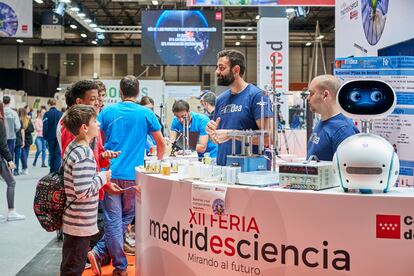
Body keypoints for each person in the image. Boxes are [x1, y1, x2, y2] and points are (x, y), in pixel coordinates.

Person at [89, 75, 166, 276]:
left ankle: (105, 257)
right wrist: (155, 165)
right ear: (138, 92)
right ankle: (116, 264)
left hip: (110, 173)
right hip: (134, 176)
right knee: (126, 218)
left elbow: (96, 142)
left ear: (121, 91)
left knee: (114, 220)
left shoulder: (106, 112)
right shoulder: (146, 113)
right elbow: (161, 144)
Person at [59, 104, 119, 276]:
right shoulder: (84, 153)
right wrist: (103, 177)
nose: (98, 124)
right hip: (80, 222)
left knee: (71, 264)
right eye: (94, 121)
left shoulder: (74, 147)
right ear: (85, 128)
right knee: (73, 268)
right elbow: (83, 191)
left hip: (75, 220)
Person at [206, 49, 273, 166]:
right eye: (217, 68)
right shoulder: (221, 99)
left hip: (250, 171)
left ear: (236, 70)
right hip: (224, 168)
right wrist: (212, 134)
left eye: (221, 68)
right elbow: (218, 140)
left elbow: (268, 138)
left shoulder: (257, 96)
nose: (217, 72)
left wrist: (231, 134)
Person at [306, 74, 359, 161]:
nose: (308, 98)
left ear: (325, 95)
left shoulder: (343, 131)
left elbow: (348, 170)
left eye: (312, 93)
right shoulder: (321, 123)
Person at [0, 101, 25, 222]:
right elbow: (2, 144)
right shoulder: (0, 122)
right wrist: (9, 159)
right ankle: (11, 211)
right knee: (11, 182)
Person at [43, 99, 63, 173]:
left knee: (51, 154)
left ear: (49, 104)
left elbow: (45, 126)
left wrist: (45, 136)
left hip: (50, 137)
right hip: (59, 137)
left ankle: (51, 171)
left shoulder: (47, 114)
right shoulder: (61, 114)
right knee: (58, 154)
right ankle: (57, 171)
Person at [18, 108, 34, 175]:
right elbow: (32, 129)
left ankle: (25, 167)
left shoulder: (19, 120)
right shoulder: (28, 120)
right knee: (25, 154)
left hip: (22, 138)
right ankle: (24, 168)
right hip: (29, 138)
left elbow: (20, 130)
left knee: (23, 154)